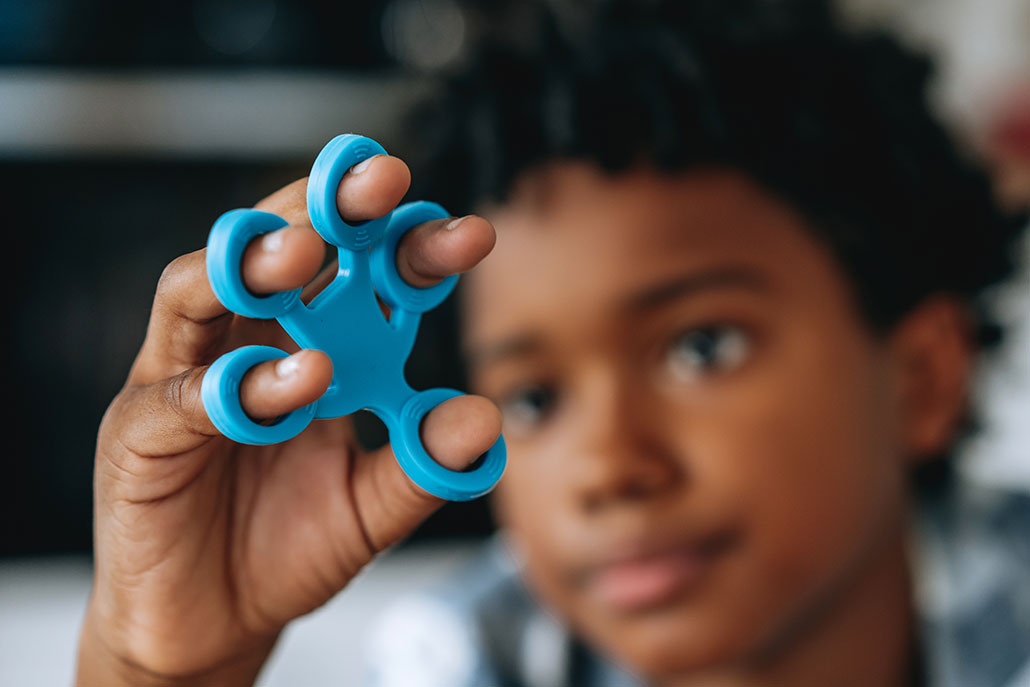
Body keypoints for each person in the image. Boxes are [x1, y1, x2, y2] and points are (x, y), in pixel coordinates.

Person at [78, 1, 1030, 686]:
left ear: (920, 376)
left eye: (702, 347)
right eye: (532, 400)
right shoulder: (468, 658)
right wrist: (160, 670)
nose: (609, 468)